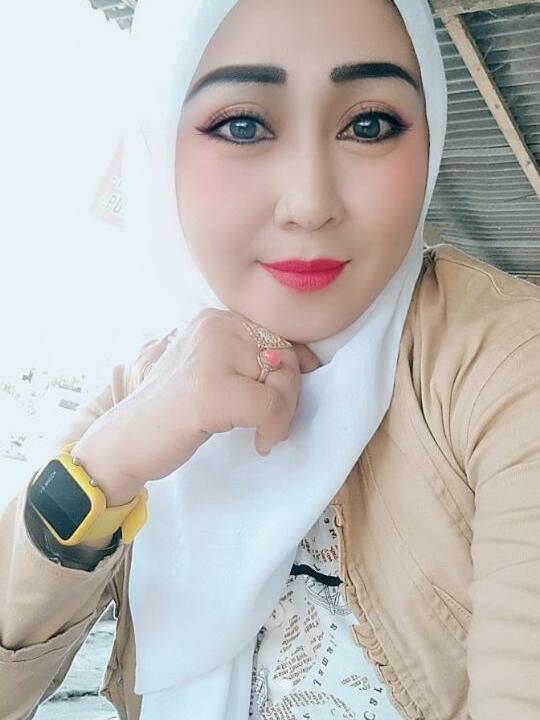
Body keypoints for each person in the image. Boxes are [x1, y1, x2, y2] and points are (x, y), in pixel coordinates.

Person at [1, 0, 539, 718]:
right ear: (161, 146)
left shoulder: (505, 365)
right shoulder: (148, 388)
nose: (310, 203)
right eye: (243, 126)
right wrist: (105, 467)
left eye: (369, 125)